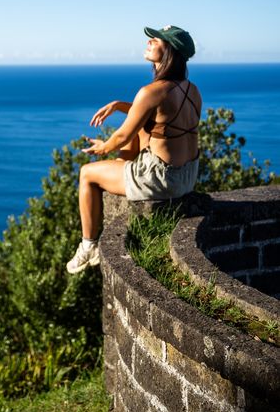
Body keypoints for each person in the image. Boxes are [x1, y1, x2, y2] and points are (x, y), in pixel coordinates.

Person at [66, 24, 202, 274]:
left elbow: (121, 136)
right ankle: (122, 169)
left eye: (157, 40)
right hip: (187, 176)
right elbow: (158, 117)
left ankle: (88, 246)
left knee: (87, 173)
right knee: (141, 129)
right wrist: (120, 105)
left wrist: (103, 148)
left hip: (162, 181)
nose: (149, 42)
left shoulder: (151, 91)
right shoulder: (192, 90)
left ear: (170, 51)